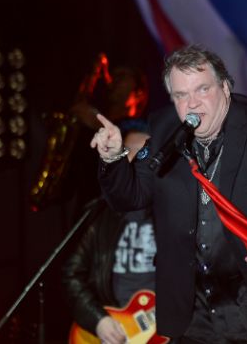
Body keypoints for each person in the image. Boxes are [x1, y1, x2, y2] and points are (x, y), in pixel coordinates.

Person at [90, 45, 247, 343]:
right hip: (194, 315)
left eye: (202, 89)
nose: (192, 104)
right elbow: (129, 197)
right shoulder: (163, 130)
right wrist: (113, 158)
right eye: (181, 95)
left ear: (224, 87)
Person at [62, 121, 155, 344]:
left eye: (146, 155)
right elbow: (71, 274)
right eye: (130, 152)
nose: (138, 162)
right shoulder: (99, 214)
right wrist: (98, 320)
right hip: (114, 327)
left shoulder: (176, 213)